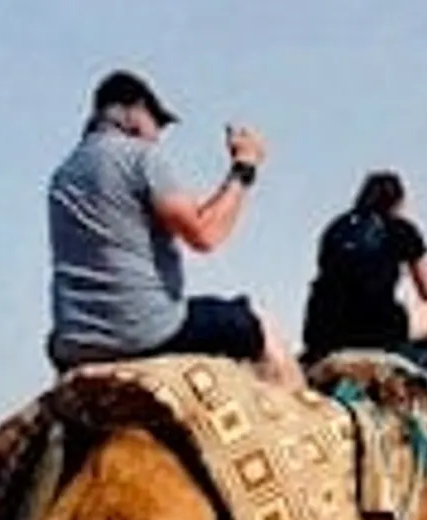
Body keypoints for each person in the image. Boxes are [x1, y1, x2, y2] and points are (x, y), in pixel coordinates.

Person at [45, 70, 305, 390]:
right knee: (254, 322)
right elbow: (206, 236)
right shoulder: (139, 156)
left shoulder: (65, 174)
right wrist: (245, 169)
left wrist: (228, 181)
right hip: (144, 332)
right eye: (158, 123)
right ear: (134, 112)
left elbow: (189, 212)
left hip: (74, 344)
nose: (158, 136)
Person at [300, 170, 427, 363]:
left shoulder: (335, 228)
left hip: (320, 329)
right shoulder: (402, 228)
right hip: (374, 328)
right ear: (399, 202)